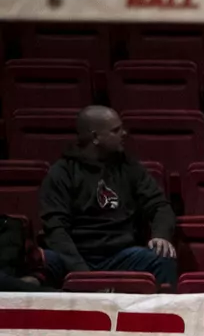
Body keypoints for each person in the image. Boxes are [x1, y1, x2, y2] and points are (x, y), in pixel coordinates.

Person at [39, 106, 178, 288]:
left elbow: (159, 205)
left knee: (161, 258)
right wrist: (83, 275)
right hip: (76, 255)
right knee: (43, 262)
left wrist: (161, 235)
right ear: (95, 137)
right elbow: (55, 229)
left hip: (121, 254)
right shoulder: (62, 172)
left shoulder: (129, 167)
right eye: (116, 130)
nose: (124, 133)